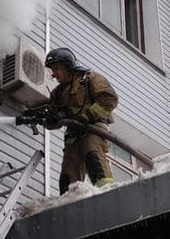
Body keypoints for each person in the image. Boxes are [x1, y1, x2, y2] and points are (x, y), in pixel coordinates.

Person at [44, 47, 118, 195]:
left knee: (93, 158)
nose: (54, 74)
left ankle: (107, 194)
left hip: (93, 129)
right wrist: (50, 120)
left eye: (57, 69)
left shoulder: (90, 79)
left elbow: (109, 99)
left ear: (68, 65)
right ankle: (69, 203)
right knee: (67, 178)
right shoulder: (57, 94)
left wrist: (85, 118)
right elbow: (53, 121)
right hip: (73, 136)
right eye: (52, 70)